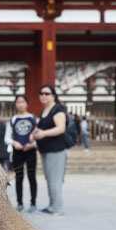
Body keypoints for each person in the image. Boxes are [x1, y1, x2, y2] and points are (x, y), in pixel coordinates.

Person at [32, 84, 66, 216]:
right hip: (45, 150)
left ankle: (57, 208)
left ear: (54, 96)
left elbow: (60, 128)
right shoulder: (44, 111)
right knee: (49, 179)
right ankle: (52, 205)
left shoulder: (57, 110)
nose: (43, 96)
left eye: (47, 93)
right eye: (41, 93)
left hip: (56, 150)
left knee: (55, 179)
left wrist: (44, 133)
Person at [5, 95, 37, 213]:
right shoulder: (13, 120)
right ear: (15, 104)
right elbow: (7, 138)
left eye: (23, 102)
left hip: (31, 151)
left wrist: (33, 144)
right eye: (18, 102)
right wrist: (14, 143)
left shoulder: (33, 118)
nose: (20, 104)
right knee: (19, 178)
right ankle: (19, 203)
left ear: (27, 103)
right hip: (17, 151)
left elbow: (37, 136)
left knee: (32, 177)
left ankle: (33, 203)